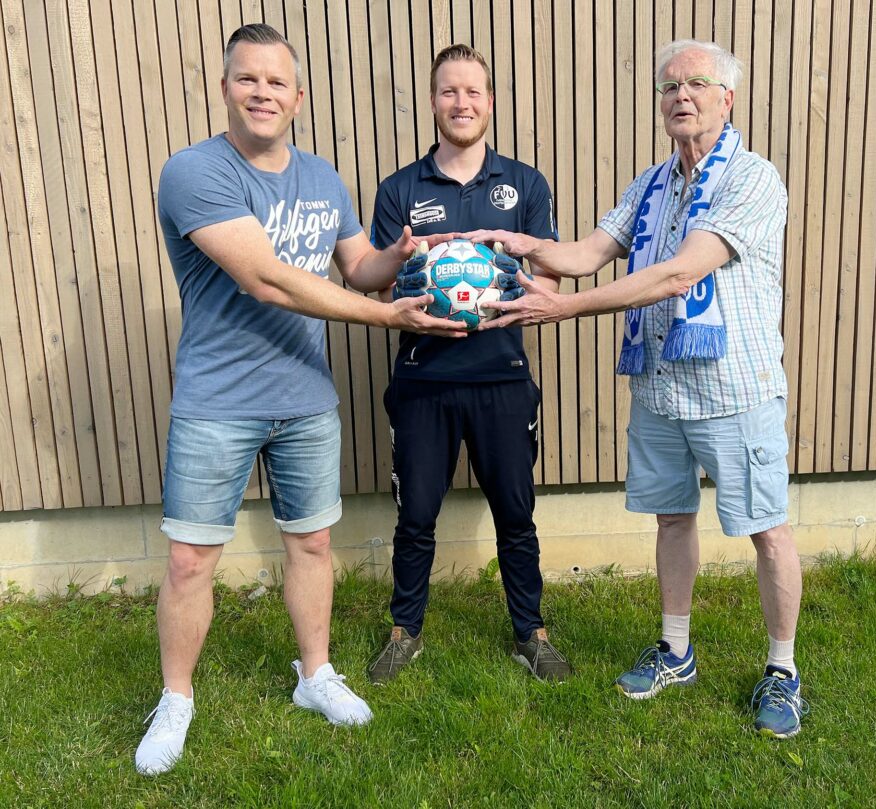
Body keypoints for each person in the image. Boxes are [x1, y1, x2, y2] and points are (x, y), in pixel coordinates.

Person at [136, 24, 465, 776]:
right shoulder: (193, 171)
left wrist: (398, 259)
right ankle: (176, 698)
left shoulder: (321, 177)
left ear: (298, 97)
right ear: (225, 88)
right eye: (247, 79)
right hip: (217, 401)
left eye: (276, 82)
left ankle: (314, 675)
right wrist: (388, 316)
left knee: (312, 543)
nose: (262, 93)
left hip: (306, 397)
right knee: (190, 560)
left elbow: (357, 268)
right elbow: (267, 278)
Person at [464, 40, 810, 738]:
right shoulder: (651, 183)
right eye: (669, 86)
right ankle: (676, 651)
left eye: (697, 84)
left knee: (767, 531)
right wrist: (523, 244)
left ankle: (782, 669)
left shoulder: (753, 178)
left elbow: (679, 273)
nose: (681, 95)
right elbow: (589, 253)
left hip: (734, 390)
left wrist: (565, 308)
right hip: (660, 389)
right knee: (672, 519)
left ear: (727, 98)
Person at [364, 44, 571, 684]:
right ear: (433, 101)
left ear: (490, 101)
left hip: (502, 379)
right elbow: (380, 286)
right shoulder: (400, 189)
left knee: (516, 515)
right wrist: (409, 280)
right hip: (422, 381)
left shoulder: (525, 185)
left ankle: (531, 633)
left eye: (473, 91)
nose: (462, 103)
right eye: (449, 91)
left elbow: (550, 282)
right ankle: (405, 632)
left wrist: (504, 296)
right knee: (415, 517)